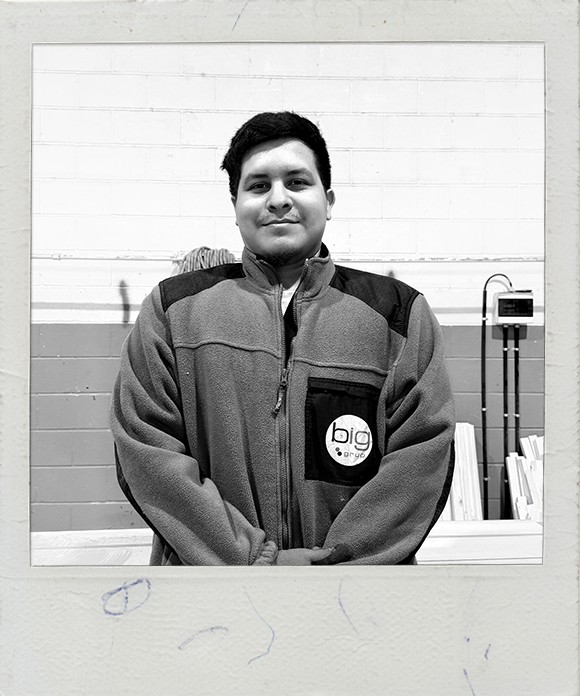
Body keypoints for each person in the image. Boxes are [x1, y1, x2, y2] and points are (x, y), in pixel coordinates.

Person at [110, 111, 456, 566]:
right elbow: (147, 452)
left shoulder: (398, 316)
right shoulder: (173, 312)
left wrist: (333, 567)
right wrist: (255, 561)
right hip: (212, 594)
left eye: (297, 182)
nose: (278, 200)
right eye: (258, 186)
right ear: (235, 204)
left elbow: (421, 456)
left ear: (328, 200)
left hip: (354, 595)